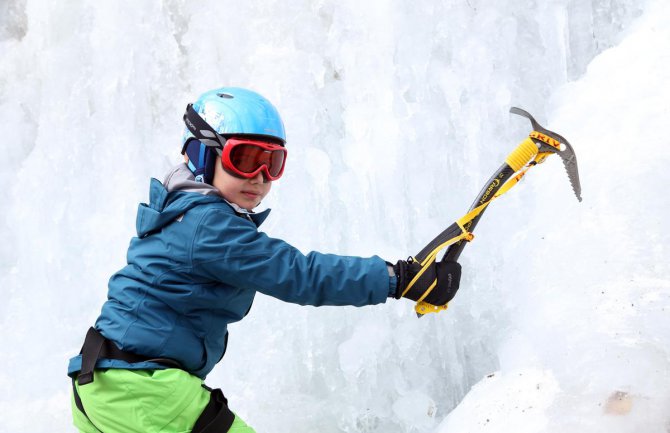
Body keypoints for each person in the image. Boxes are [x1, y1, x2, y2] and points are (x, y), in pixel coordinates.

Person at [67, 87, 462, 433]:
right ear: (202, 154)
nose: (258, 176)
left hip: (102, 387)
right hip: (143, 389)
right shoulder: (209, 226)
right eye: (245, 159)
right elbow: (299, 274)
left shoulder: (182, 211)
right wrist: (397, 279)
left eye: (271, 163)